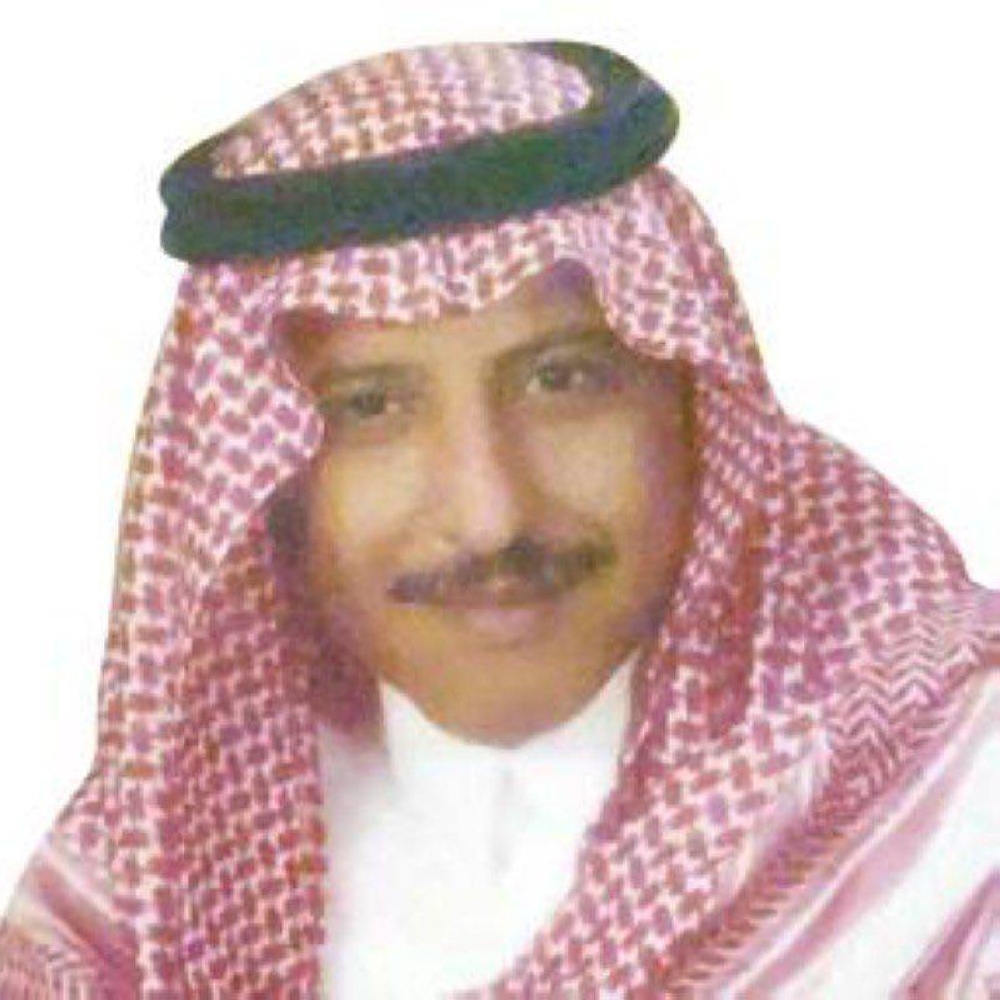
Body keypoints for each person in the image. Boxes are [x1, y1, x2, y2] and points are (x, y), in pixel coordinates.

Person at [0, 40, 996, 999]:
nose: (490, 517)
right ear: (267, 485)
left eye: (562, 380)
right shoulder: (129, 908)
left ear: (693, 406)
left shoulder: (957, 811)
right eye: (370, 408)